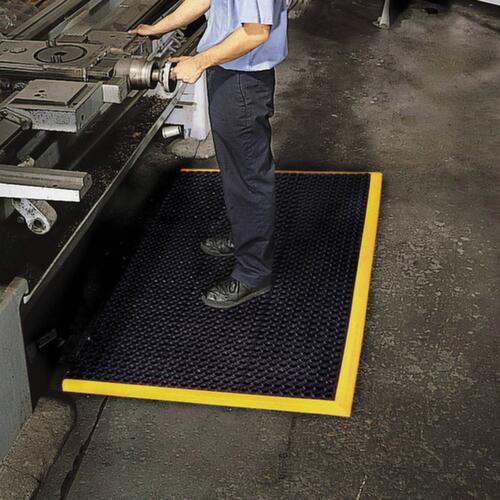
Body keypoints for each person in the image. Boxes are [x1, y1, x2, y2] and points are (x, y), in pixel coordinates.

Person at [130, 0, 288, 309]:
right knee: (234, 169)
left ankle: (253, 273)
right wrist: (159, 27)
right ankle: (243, 234)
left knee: (248, 177)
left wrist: (199, 61)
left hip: (243, 79)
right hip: (227, 69)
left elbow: (255, 33)